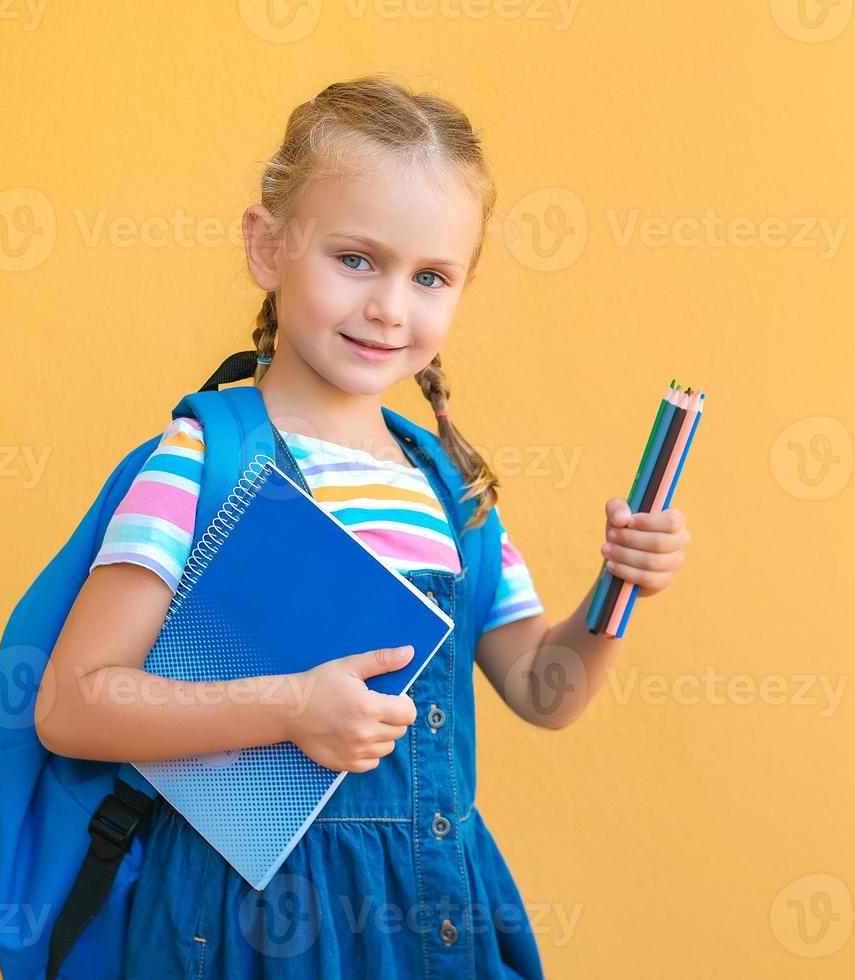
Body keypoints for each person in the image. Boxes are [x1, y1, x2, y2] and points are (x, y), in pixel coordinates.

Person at [35, 73, 693, 978]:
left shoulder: (448, 489)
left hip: (431, 918)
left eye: (430, 277)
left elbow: (548, 691)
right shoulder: (202, 462)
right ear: (267, 248)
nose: (391, 306)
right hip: (238, 936)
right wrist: (291, 708)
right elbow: (72, 705)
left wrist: (619, 589)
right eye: (355, 259)